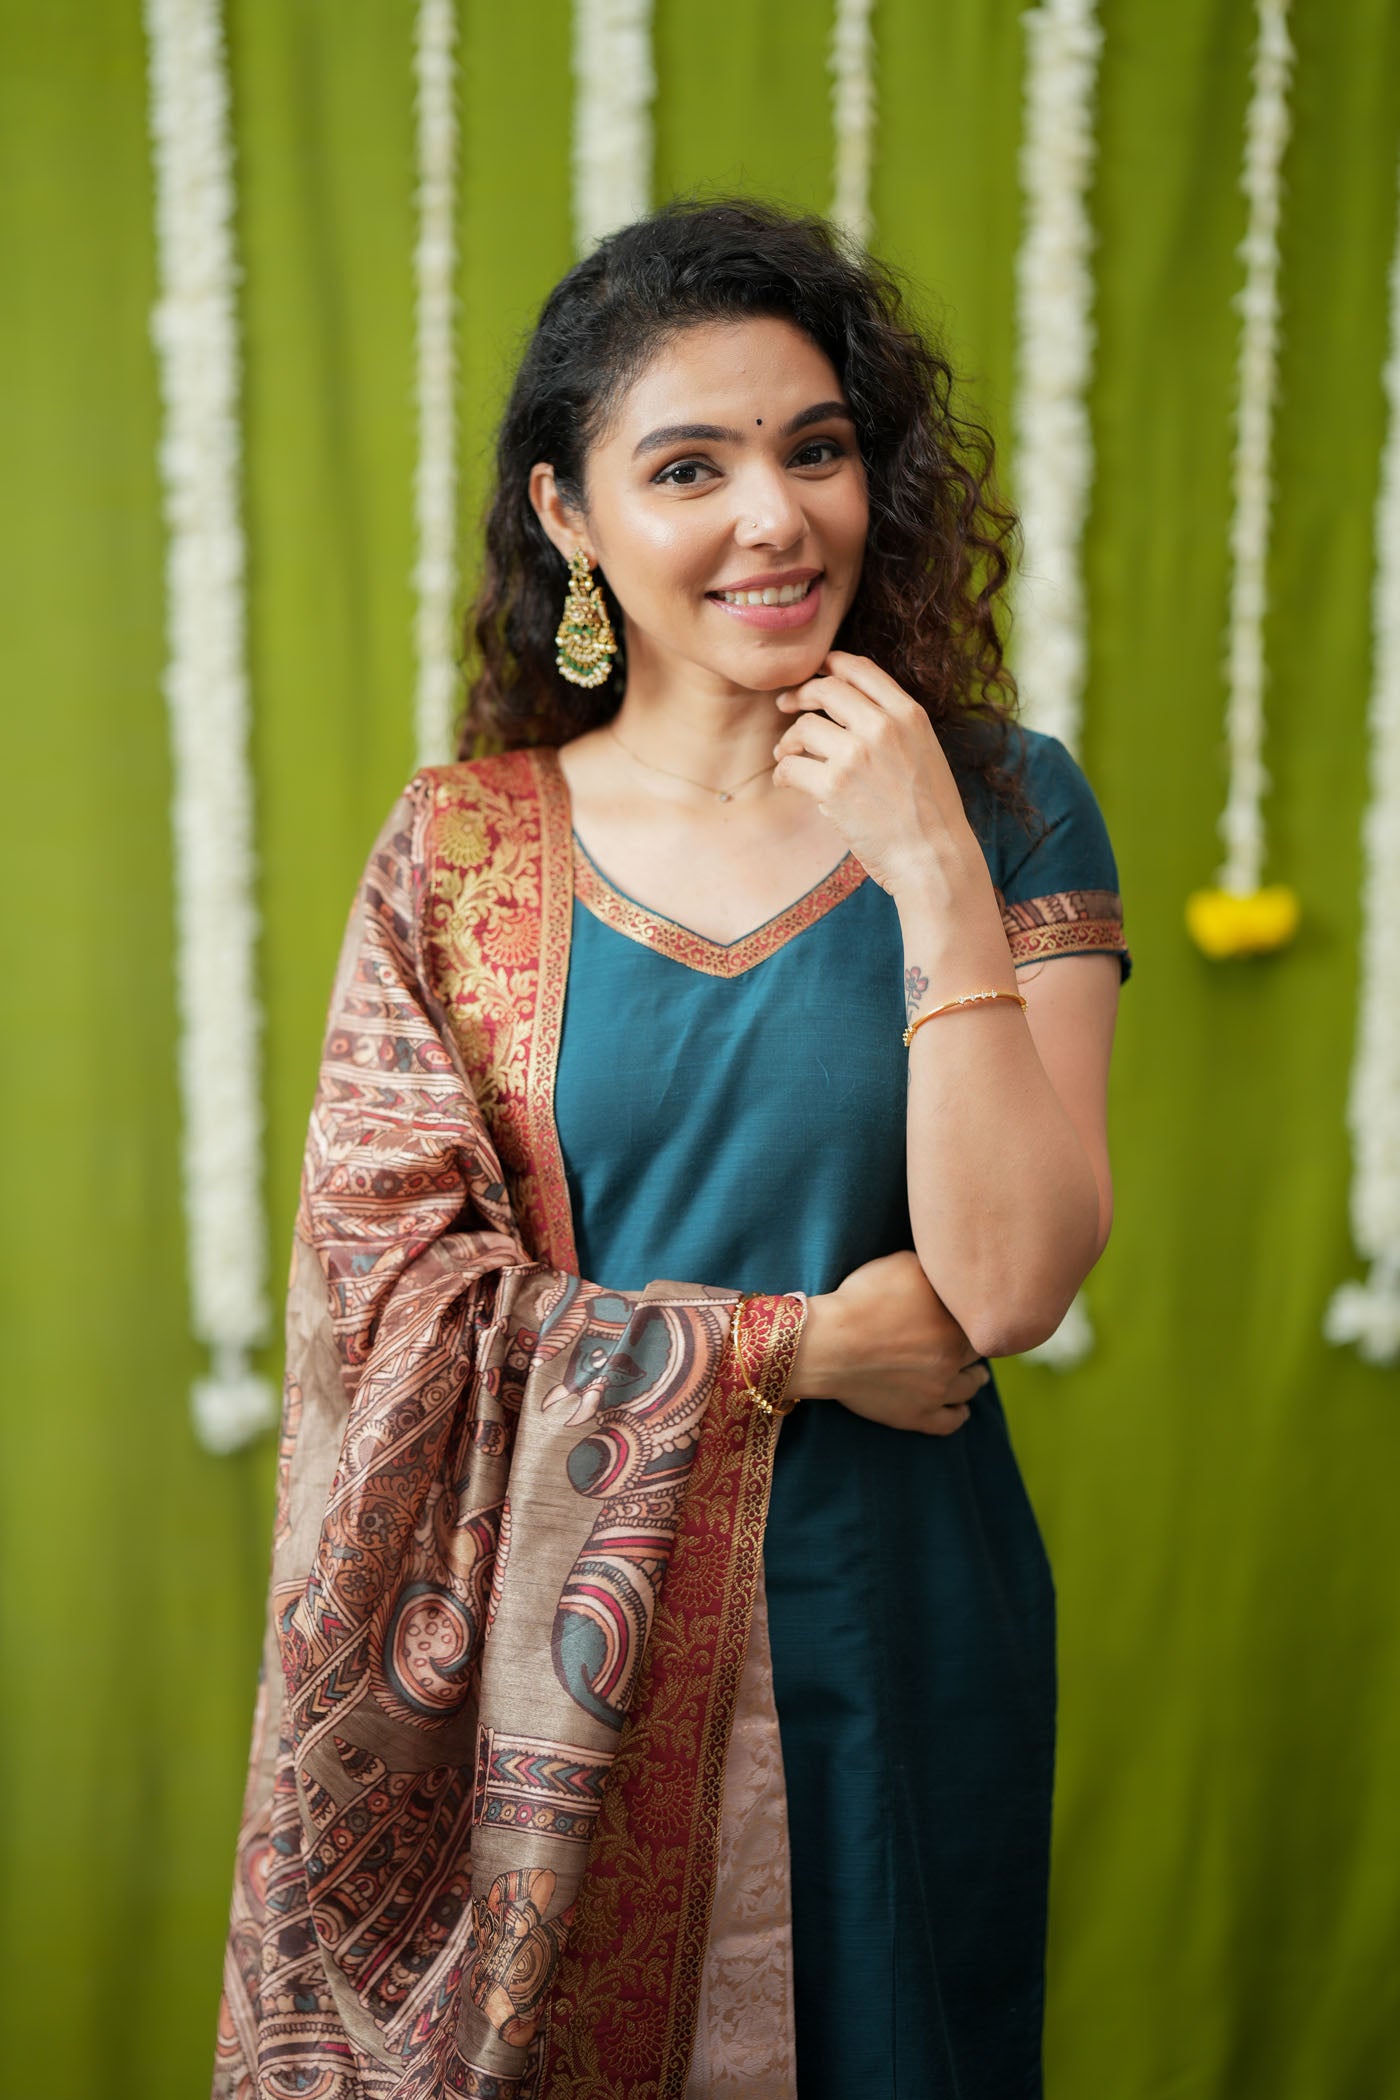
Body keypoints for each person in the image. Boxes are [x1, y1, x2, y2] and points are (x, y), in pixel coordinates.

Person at [214, 197, 1129, 2100]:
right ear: (571, 515)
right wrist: (791, 1349)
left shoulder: (1006, 803)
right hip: (544, 1679)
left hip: (892, 1626)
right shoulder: (462, 848)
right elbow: (396, 1312)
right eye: (690, 468)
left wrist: (928, 866)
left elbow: (1013, 1284)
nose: (773, 519)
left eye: (817, 450)